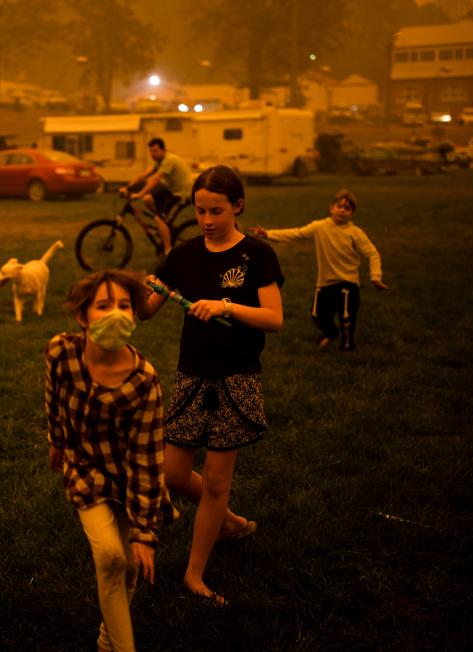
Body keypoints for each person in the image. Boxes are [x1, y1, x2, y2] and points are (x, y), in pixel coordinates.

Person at [137, 165, 284, 606]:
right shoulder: (183, 255)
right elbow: (147, 311)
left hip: (236, 377)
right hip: (192, 375)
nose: (206, 220)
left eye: (216, 211)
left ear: (237, 206)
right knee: (173, 474)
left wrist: (225, 305)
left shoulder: (257, 256)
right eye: (200, 211)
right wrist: (124, 295)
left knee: (217, 482)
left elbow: (274, 319)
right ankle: (232, 522)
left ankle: (194, 574)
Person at [45, 269, 177, 652]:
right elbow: (53, 396)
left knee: (130, 565)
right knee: (109, 555)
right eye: (104, 306)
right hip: (84, 469)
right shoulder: (61, 352)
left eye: (124, 305)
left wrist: (145, 533)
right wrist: (56, 439)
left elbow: (148, 460)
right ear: (82, 316)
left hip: (129, 478)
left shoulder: (144, 383)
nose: (116, 314)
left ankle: (108, 635)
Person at [249, 188, 387, 351]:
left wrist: (375, 276)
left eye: (347, 208)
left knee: (346, 318)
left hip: (348, 282)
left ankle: (348, 349)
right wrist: (268, 234)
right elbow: (296, 233)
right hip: (325, 282)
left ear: (352, 213)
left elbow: (372, 253)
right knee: (317, 316)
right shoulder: (320, 226)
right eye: (340, 206)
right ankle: (332, 334)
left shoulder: (355, 233)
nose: (342, 210)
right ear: (332, 208)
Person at [120, 137, 192, 254]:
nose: (152, 154)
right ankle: (165, 225)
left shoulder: (169, 160)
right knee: (148, 199)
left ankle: (168, 251)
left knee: (158, 219)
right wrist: (127, 187)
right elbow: (143, 175)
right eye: (151, 151)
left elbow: (155, 179)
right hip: (172, 191)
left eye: (155, 151)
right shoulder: (159, 162)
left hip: (182, 194)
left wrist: (139, 194)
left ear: (163, 150)